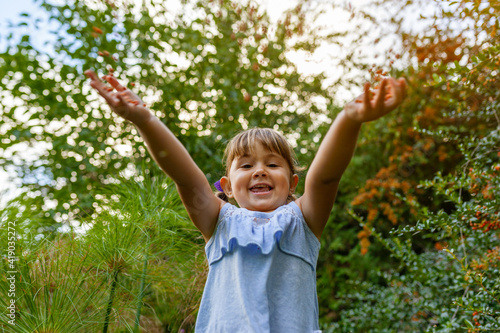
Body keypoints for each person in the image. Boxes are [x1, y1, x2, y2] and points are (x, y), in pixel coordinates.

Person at [85, 69, 407, 332]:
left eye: (272, 164)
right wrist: (145, 121)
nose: (259, 172)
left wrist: (349, 119)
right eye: (247, 165)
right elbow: (184, 175)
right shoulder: (218, 221)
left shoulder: (303, 220)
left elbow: (325, 177)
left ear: (292, 182)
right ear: (227, 185)